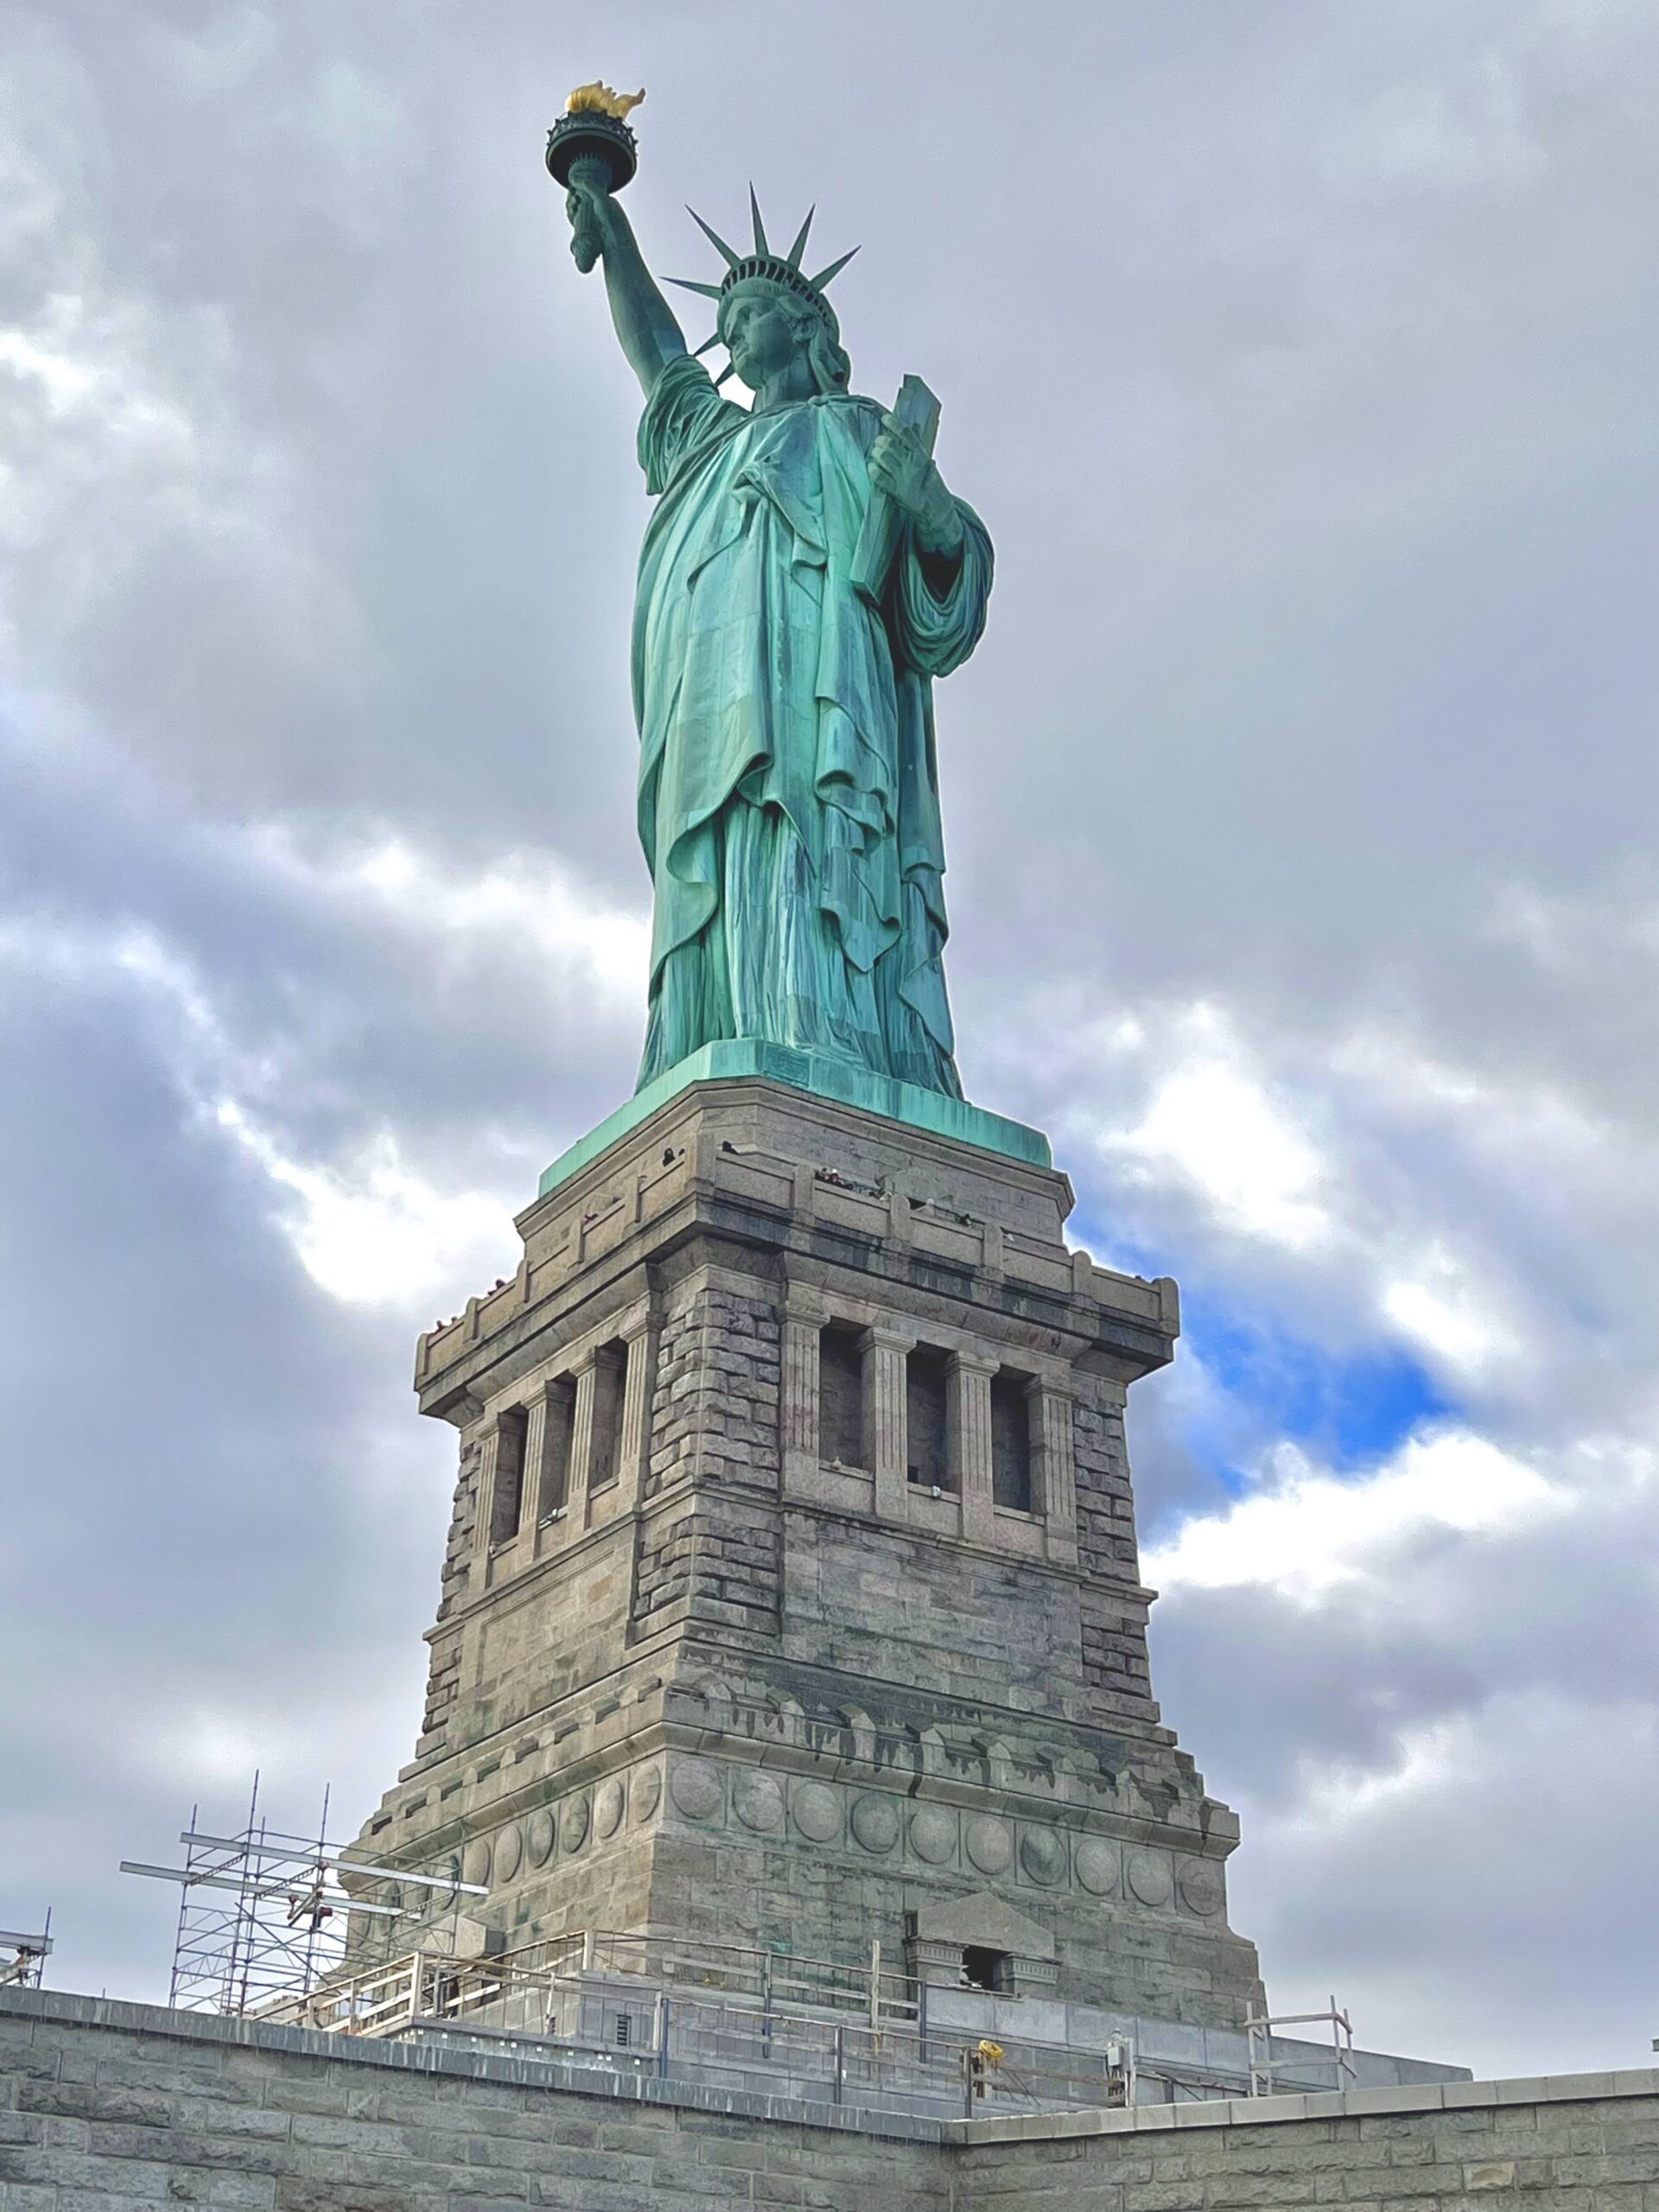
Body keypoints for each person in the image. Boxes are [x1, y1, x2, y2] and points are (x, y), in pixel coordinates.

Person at [566, 178, 993, 1099]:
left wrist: (932, 513)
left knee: (810, 854)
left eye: (751, 312)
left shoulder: (858, 431)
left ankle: (827, 1035)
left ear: (805, 330)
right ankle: (710, 1041)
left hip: (822, 709)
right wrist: (616, 241)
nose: (732, 332)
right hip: (712, 720)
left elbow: (946, 603)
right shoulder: (708, 448)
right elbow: (661, 360)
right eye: (728, 317)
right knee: (725, 875)